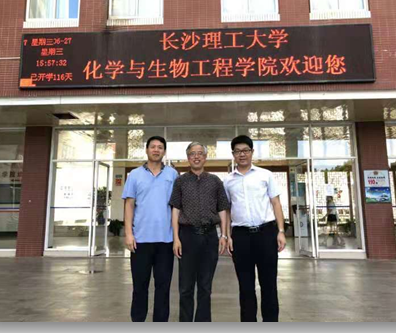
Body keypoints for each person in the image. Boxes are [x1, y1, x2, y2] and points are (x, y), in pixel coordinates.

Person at [224, 135, 286, 322]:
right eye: (237, 151)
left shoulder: (265, 175)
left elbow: (276, 203)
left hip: (266, 234)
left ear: (252, 152)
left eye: (245, 150)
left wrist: (281, 231)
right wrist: (227, 236)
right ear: (233, 154)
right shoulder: (228, 181)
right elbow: (227, 210)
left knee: (269, 284)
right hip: (241, 236)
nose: (242, 154)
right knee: (245, 286)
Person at [169, 142, 230, 322]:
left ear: (205, 157)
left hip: (210, 237)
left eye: (200, 153)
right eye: (192, 154)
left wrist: (224, 235)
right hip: (187, 237)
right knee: (185, 287)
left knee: (205, 286)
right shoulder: (180, 181)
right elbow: (175, 210)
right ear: (188, 157)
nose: (196, 157)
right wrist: (176, 238)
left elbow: (223, 209)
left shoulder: (215, 181)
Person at [122, 136, 178, 322]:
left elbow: (176, 207)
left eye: (160, 147)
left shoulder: (172, 175)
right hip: (140, 240)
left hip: (166, 240)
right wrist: (129, 234)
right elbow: (129, 205)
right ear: (146, 150)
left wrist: (176, 237)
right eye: (153, 147)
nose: (156, 150)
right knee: (140, 286)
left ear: (164, 152)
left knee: (163, 286)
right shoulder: (135, 175)